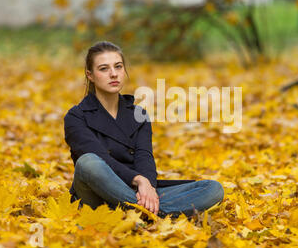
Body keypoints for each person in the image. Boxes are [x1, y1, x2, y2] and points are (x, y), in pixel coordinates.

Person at [63, 41, 224, 219]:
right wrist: (139, 180)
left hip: (135, 192)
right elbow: (102, 159)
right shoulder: (76, 116)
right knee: (88, 163)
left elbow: (144, 157)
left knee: (213, 189)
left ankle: (139, 212)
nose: (113, 74)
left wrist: (148, 185)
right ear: (90, 75)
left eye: (118, 66)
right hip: (96, 197)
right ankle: (151, 212)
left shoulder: (138, 114)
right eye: (103, 69)